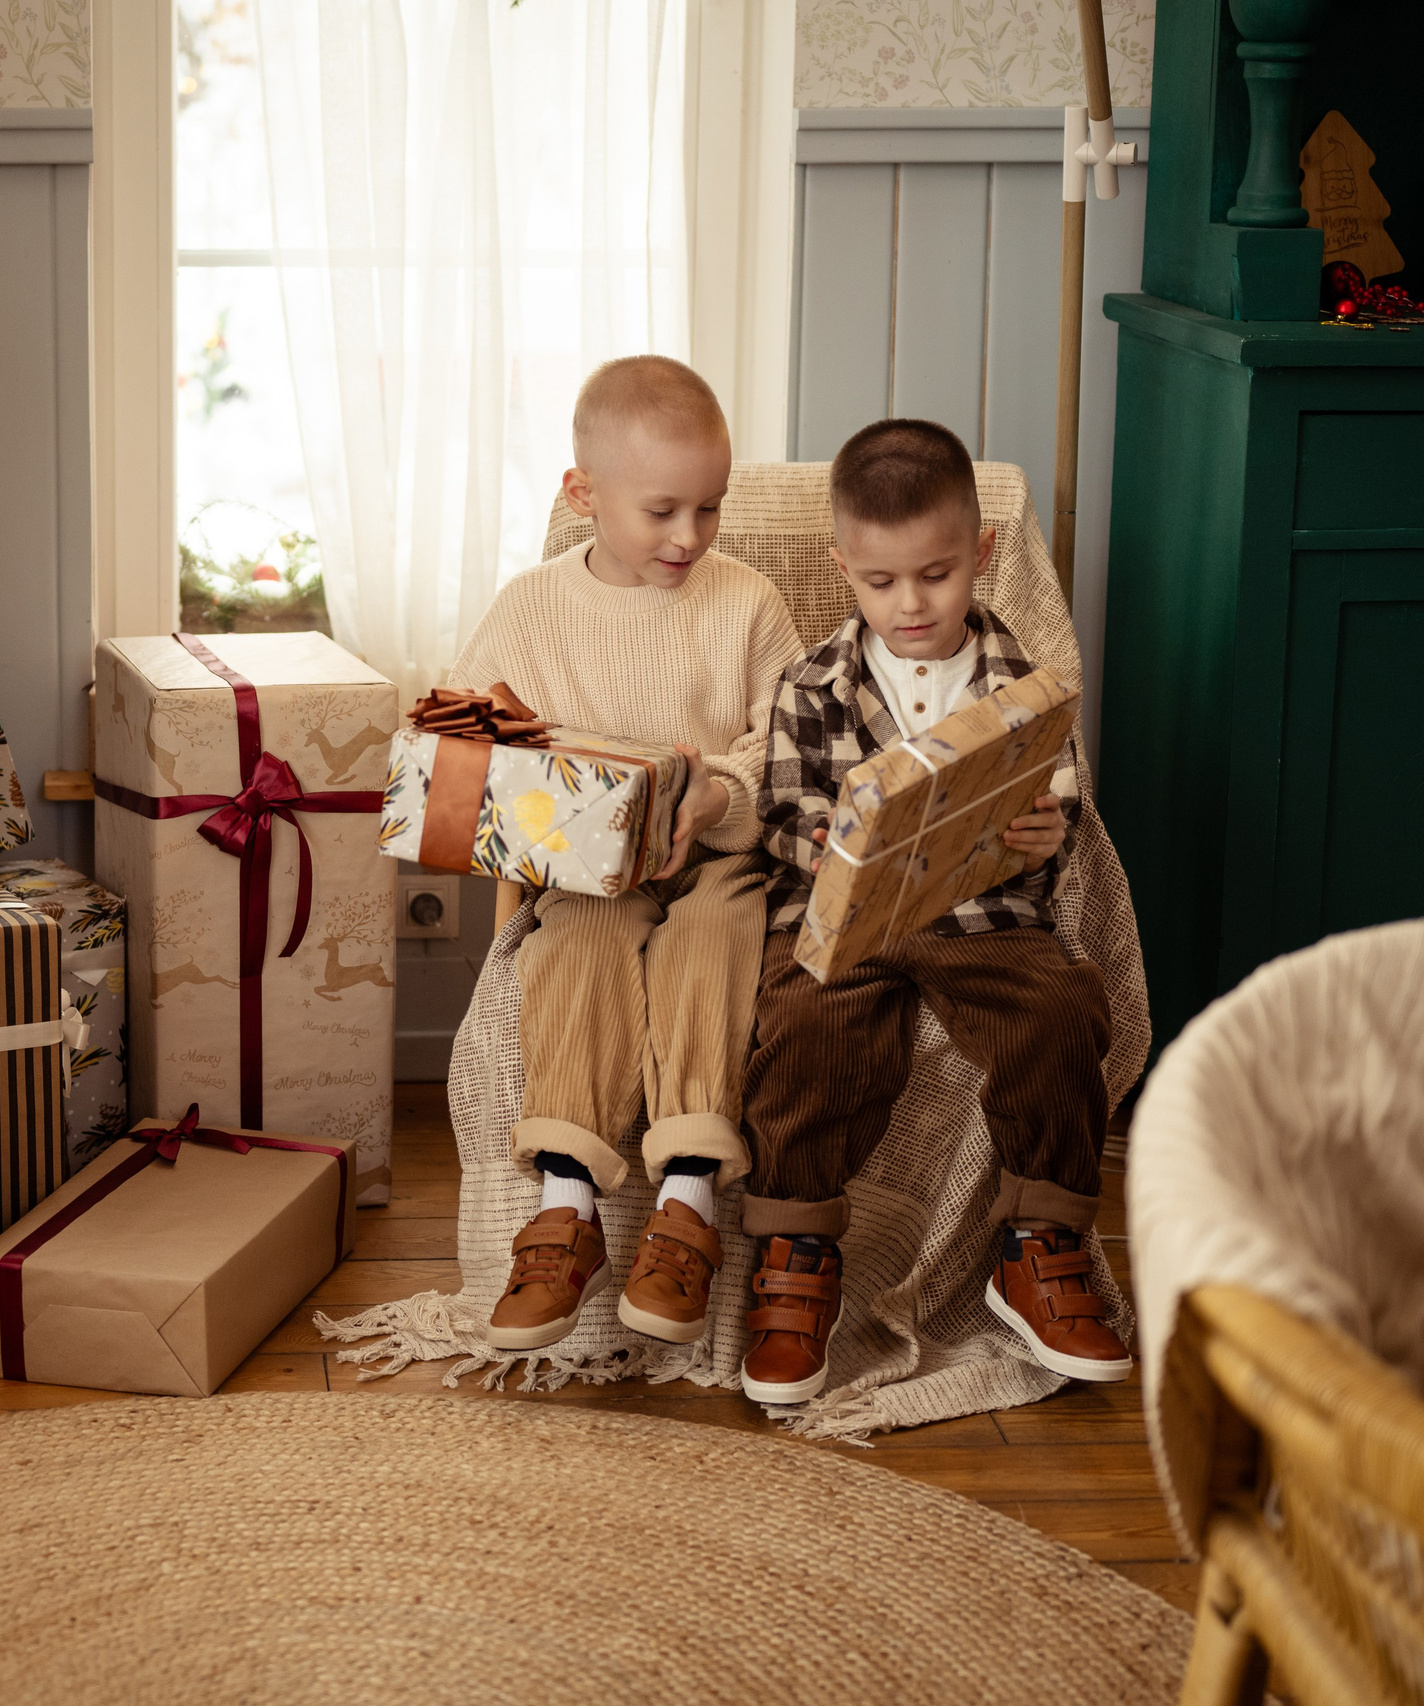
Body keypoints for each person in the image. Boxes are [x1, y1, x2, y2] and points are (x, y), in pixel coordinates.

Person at [739, 418, 1130, 1405]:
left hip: (984, 916)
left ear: (981, 557)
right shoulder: (812, 682)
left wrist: (1048, 828)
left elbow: (1061, 794)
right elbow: (781, 806)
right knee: (798, 1024)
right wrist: (829, 840)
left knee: (1060, 1010)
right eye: (881, 582)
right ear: (844, 569)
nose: (910, 603)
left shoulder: (1024, 682)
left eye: (936, 574)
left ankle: (1039, 1241)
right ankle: (794, 1249)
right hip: (848, 920)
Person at [452, 355, 804, 1353]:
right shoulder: (528, 606)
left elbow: (786, 745)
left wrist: (720, 794)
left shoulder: (747, 602)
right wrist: (543, 783)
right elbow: (462, 742)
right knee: (572, 949)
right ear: (583, 495)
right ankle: (565, 1210)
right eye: (661, 511)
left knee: (711, 936)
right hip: (586, 871)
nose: (688, 536)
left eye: (710, 507)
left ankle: (686, 1197)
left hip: (718, 858)